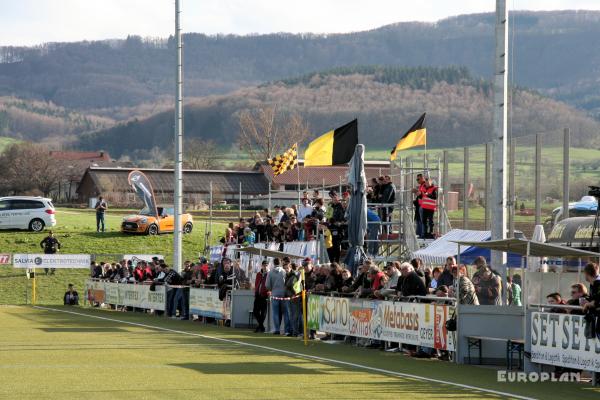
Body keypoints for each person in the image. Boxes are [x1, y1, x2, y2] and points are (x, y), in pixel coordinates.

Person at [266, 258, 290, 335]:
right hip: (284, 294)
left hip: (275, 294)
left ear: (273, 263)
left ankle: (277, 329)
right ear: (280, 263)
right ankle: (287, 330)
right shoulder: (284, 271)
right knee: (285, 313)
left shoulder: (270, 273)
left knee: (275, 313)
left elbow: (267, 285)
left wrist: (272, 289)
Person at [253, 260, 270, 333]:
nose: (265, 267)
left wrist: (269, 291)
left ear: (268, 266)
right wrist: (256, 291)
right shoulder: (258, 274)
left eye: (266, 265)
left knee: (263, 312)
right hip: (257, 295)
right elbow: (256, 283)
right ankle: (261, 326)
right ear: (262, 266)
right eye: (264, 265)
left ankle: (260, 327)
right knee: (255, 311)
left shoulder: (269, 274)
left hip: (265, 295)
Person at [412, 173, 426, 237]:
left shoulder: (425, 185)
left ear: (423, 178)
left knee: (421, 222)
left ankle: (422, 235)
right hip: (420, 206)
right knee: (418, 221)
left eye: (418, 179)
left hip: (423, 206)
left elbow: (423, 196)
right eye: (416, 179)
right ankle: (419, 235)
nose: (417, 181)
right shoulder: (421, 186)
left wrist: (416, 191)